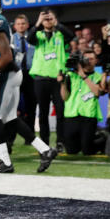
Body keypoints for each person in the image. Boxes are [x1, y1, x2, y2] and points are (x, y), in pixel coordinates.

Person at [0, 0, 58, 174]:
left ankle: (5, 162)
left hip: (4, 72)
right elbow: (0, 50)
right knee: (10, 120)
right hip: (9, 72)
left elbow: (6, 55)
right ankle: (45, 150)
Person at [26, 9, 74, 145]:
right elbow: (29, 39)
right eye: (45, 19)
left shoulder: (60, 34)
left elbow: (71, 36)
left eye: (50, 18)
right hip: (41, 78)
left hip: (58, 78)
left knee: (60, 111)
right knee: (43, 112)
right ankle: (44, 141)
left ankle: (60, 141)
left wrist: (56, 23)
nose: (48, 20)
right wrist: (37, 23)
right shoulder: (38, 35)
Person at [58, 52, 102, 155]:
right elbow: (64, 97)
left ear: (96, 61)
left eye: (91, 59)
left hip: (88, 116)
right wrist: (62, 83)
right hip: (71, 115)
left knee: (87, 150)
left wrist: (83, 76)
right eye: (86, 59)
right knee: (71, 151)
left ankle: (102, 139)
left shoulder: (98, 76)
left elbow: (97, 92)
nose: (88, 61)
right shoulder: (71, 75)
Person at [11, 14, 36, 124]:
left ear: (27, 25)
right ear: (15, 26)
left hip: (31, 74)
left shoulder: (33, 38)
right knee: (13, 105)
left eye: (23, 24)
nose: (21, 26)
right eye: (18, 24)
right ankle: (11, 137)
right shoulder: (10, 39)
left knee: (31, 104)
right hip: (16, 73)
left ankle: (30, 134)